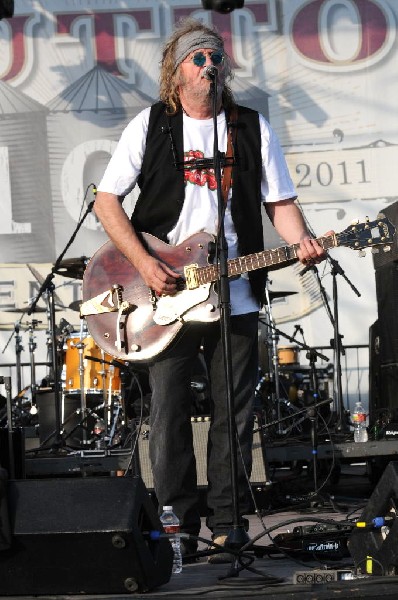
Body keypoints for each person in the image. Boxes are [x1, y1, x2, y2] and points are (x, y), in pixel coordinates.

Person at [93, 18, 328, 562]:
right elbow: (107, 202)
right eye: (199, 58)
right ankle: (176, 521)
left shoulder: (250, 127)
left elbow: (280, 203)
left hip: (235, 293)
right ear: (177, 73)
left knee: (235, 415)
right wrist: (147, 266)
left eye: (217, 57)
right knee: (170, 412)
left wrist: (305, 242)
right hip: (165, 294)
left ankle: (229, 523)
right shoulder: (151, 125)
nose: (211, 65)